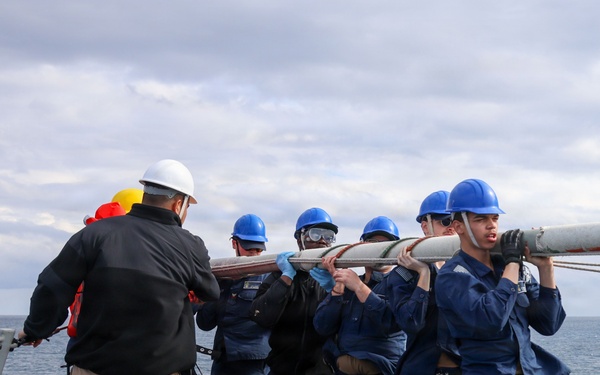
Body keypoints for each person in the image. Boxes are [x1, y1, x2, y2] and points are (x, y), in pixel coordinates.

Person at [18, 159, 220, 375]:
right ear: (179, 205)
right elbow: (209, 291)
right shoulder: (190, 245)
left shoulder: (93, 234)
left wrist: (36, 329)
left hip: (93, 369)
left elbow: (53, 286)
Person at [435, 178, 570, 374]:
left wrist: (546, 269)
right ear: (458, 227)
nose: (491, 226)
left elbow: (549, 325)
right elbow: (491, 320)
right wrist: (513, 262)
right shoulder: (452, 276)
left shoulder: (508, 269)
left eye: (495, 218)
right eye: (481, 219)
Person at [313, 216, 406, 375]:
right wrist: (337, 292)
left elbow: (391, 324)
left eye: (387, 244)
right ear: (362, 246)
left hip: (382, 368)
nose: (381, 249)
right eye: (373, 243)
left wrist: (359, 287)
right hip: (344, 367)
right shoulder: (350, 285)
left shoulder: (401, 284)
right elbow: (322, 327)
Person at [250, 207, 338, 375]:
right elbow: (260, 316)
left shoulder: (336, 280)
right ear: (300, 239)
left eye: (328, 236)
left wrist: (334, 290)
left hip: (321, 370)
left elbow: (346, 323)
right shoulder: (279, 277)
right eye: (315, 234)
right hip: (282, 369)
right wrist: (286, 278)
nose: (322, 241)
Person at [387, 190, 460, 375]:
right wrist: (423, 274)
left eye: (456, 221)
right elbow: (411, 322)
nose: (451, 227)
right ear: (425, 227)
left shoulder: (466, 270)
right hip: (422, 367)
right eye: (444, 221)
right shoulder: (404, 274)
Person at [196, 214, 271, 375]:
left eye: (258, 249)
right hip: (223, 361)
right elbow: (204, 323)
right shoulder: (222, 278)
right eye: (249, 248)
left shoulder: (269, 279)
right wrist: (214, 287)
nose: (253, 253)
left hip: (254, 364)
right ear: (234, 244)